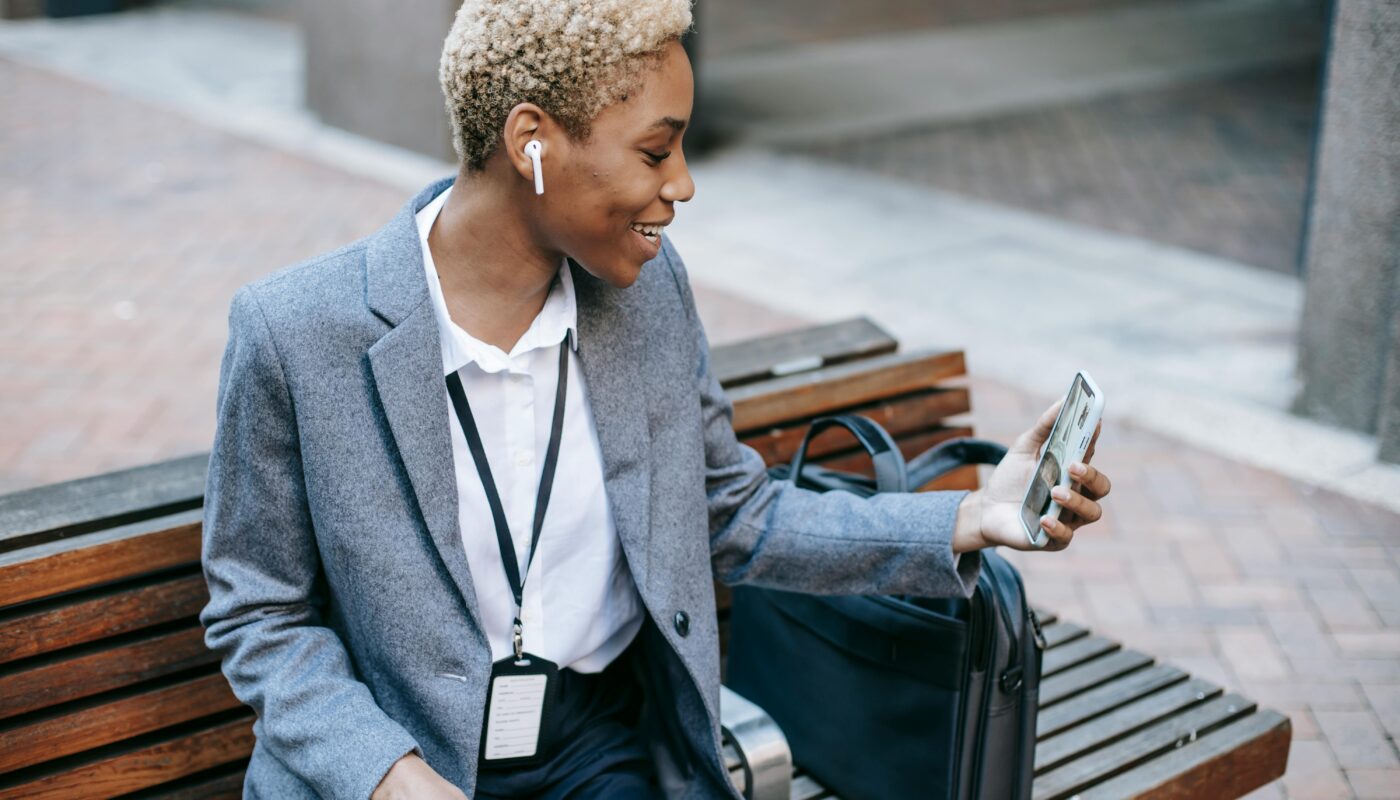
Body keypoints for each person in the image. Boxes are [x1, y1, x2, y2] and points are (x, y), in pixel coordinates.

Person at [198, 1, 1113, 798]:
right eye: (655, 149)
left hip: (599, 744)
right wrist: (382, 771)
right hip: (405, 765)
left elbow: (732, 513)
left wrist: (972, 517)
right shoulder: (297, 333)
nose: (681, 185)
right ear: (532, 142)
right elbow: (258, 613)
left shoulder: (646, 291)